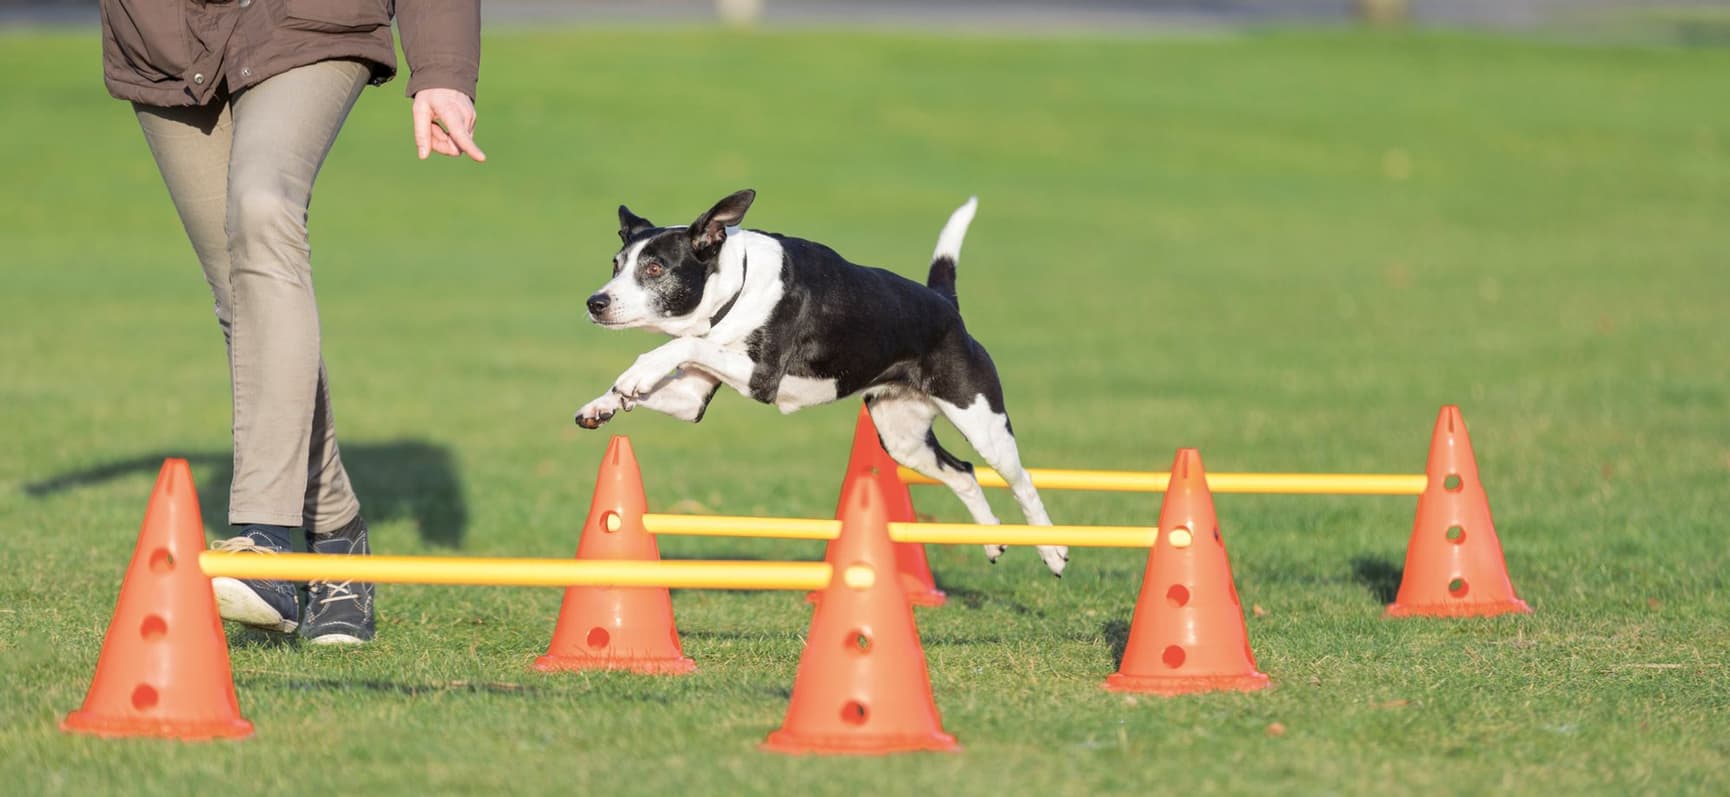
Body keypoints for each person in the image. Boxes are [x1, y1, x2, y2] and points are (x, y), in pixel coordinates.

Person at [101, 0, 486, 644]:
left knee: (262, 207)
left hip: (307, 20)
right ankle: (336, 532)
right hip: (166, 36)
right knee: (240, 292)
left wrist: (442, 65)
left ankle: (266, 543)